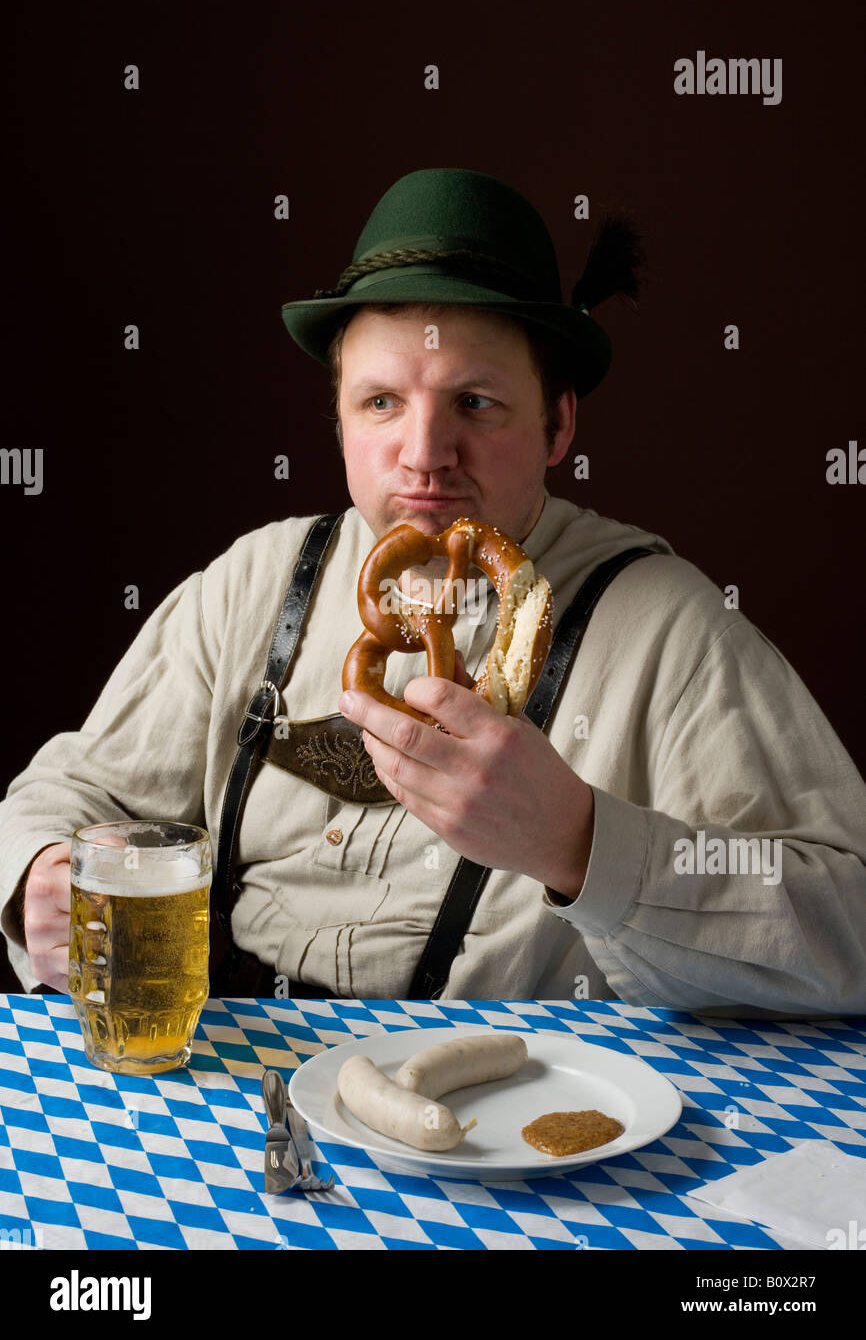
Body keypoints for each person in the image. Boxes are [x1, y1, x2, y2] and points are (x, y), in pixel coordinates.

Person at [2, 168, 865, 1015]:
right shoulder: (255, 583)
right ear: (337, 416)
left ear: (558, 423)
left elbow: (848, 926)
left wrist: (582, 845)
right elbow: (67, 794)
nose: (424, 452)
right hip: (230, 1087)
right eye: (381, 401)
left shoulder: (671, 630)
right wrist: (39, 871)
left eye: (476, 402)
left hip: (506, 1119)